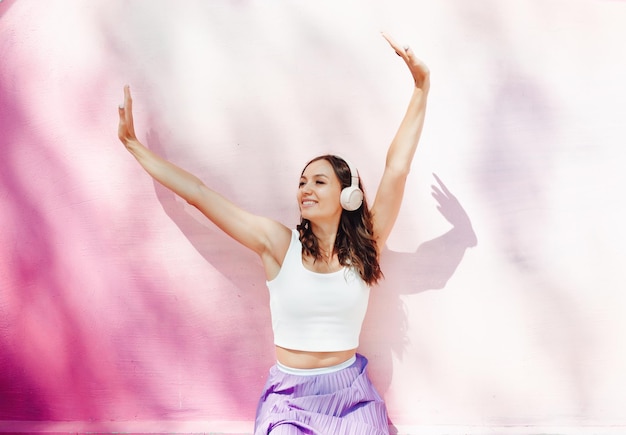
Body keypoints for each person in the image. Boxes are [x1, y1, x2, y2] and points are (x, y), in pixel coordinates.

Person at [118, 32, 429, 435]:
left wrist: (421, 86)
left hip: (351, 393)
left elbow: (396, 169)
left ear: (347, 194)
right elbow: (198, 194)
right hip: (290, 398)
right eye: (302, 182)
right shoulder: (278, 244)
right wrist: (134, 146)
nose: (305, 189)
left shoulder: (365, 246)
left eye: (319, 182)